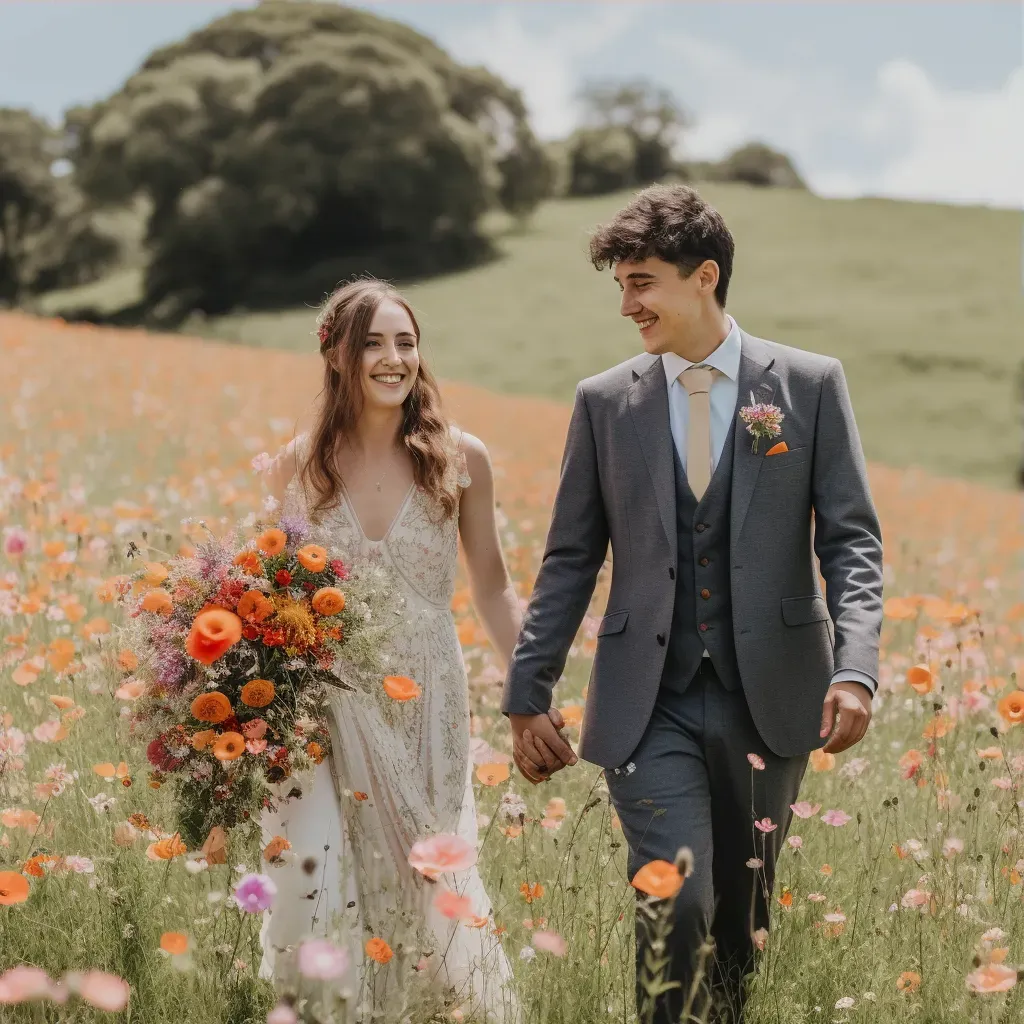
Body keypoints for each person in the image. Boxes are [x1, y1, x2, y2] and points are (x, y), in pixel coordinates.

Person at [502, 184, 883, 1023]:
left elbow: (850, 541)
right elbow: (570, 556)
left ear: (704, 275)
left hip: (773, 696)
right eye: (622, 287)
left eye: (642, 282)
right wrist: (528, 693)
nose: (629, 305)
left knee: (740, 926)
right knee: (673, 901)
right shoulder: (605, 402)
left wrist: (855, 670)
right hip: (649, 701)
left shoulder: (810, 387)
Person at [257, 278, 522, 1021]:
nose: (393, 357)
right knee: (328, 880)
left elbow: (494, 588)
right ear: (337, 355)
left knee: (429, 875)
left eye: (405, 341)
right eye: (373, 342)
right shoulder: (298, 466)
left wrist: (530, 690)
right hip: (328, 708)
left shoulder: (457, 457)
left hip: (429, 692)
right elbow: (271, 602)